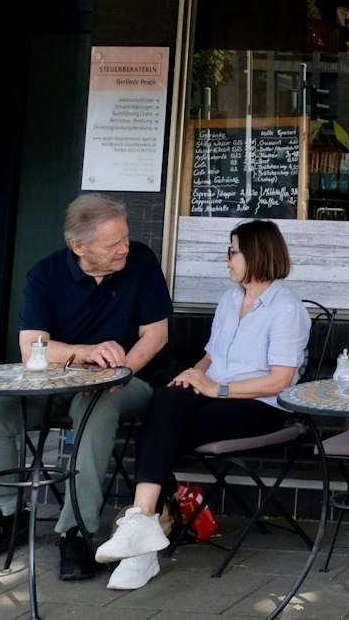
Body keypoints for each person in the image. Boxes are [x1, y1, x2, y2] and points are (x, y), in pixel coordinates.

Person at [0, 194, 171, 581]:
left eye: (125, 238)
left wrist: (118, 372)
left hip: (128, 382)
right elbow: (32, 348)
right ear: (79, 246)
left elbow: (156, 335)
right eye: (112, 245)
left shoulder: (140, 261)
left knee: (96, 411)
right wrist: (84, 353)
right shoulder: (46, 273)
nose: (125, 248)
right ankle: (7, 513)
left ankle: (75, 529)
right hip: (56, 383)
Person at [93, 219, 311, 590]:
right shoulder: (230, 299)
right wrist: (191, 376)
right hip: (215, 394)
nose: (227, 259)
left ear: (256, 255)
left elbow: (281, 380)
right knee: (166, 400)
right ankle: (143, 529)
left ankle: (141, 538)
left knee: (164, 427)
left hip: (262, 406)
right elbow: (211, 356)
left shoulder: (287, 308)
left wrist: (217, 390)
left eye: (233, 251)